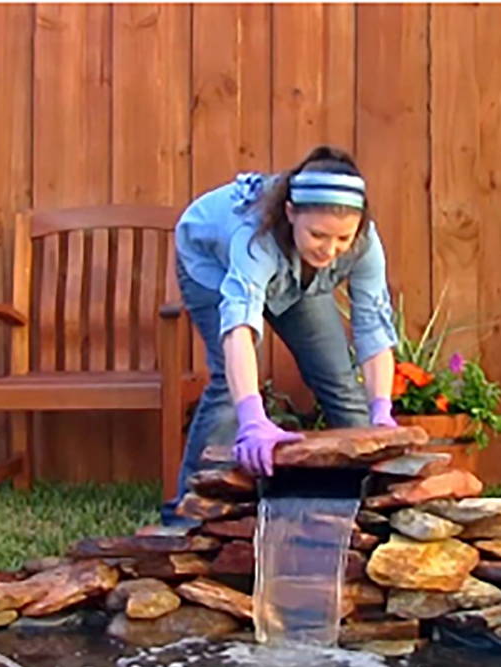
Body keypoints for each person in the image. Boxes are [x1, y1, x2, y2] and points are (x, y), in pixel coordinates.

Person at [159, 145, 399, 528]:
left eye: (342, 239)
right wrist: (252, 418)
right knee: (227, 383)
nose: (330, 249)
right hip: (210, 263)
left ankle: (372, 505)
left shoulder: (363, 243)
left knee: (338, 378)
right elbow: (239, 326)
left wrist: (381, 414)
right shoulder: (255, 236)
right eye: (318, 234)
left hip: (299, 279)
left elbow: (373, 326)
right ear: (290, 214)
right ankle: (188, 513)